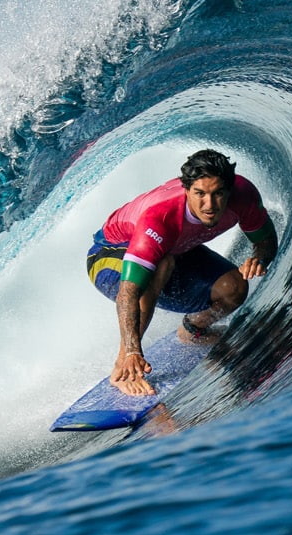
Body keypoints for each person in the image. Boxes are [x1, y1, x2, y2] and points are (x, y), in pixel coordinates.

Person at [86, 149, 278, 397]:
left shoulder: (244, 195)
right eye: (200, 194)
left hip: (173, 251)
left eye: (218, 193)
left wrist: (260, 258)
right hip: (108, 257)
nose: (209, 205)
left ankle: (193, 330)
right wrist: (133, 349)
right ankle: (123, 369)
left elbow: (265, 241)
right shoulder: (160, 217)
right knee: (161, 265)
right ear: (186, 189)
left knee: (235, 287)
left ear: (229, 189)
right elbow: (128, 294)